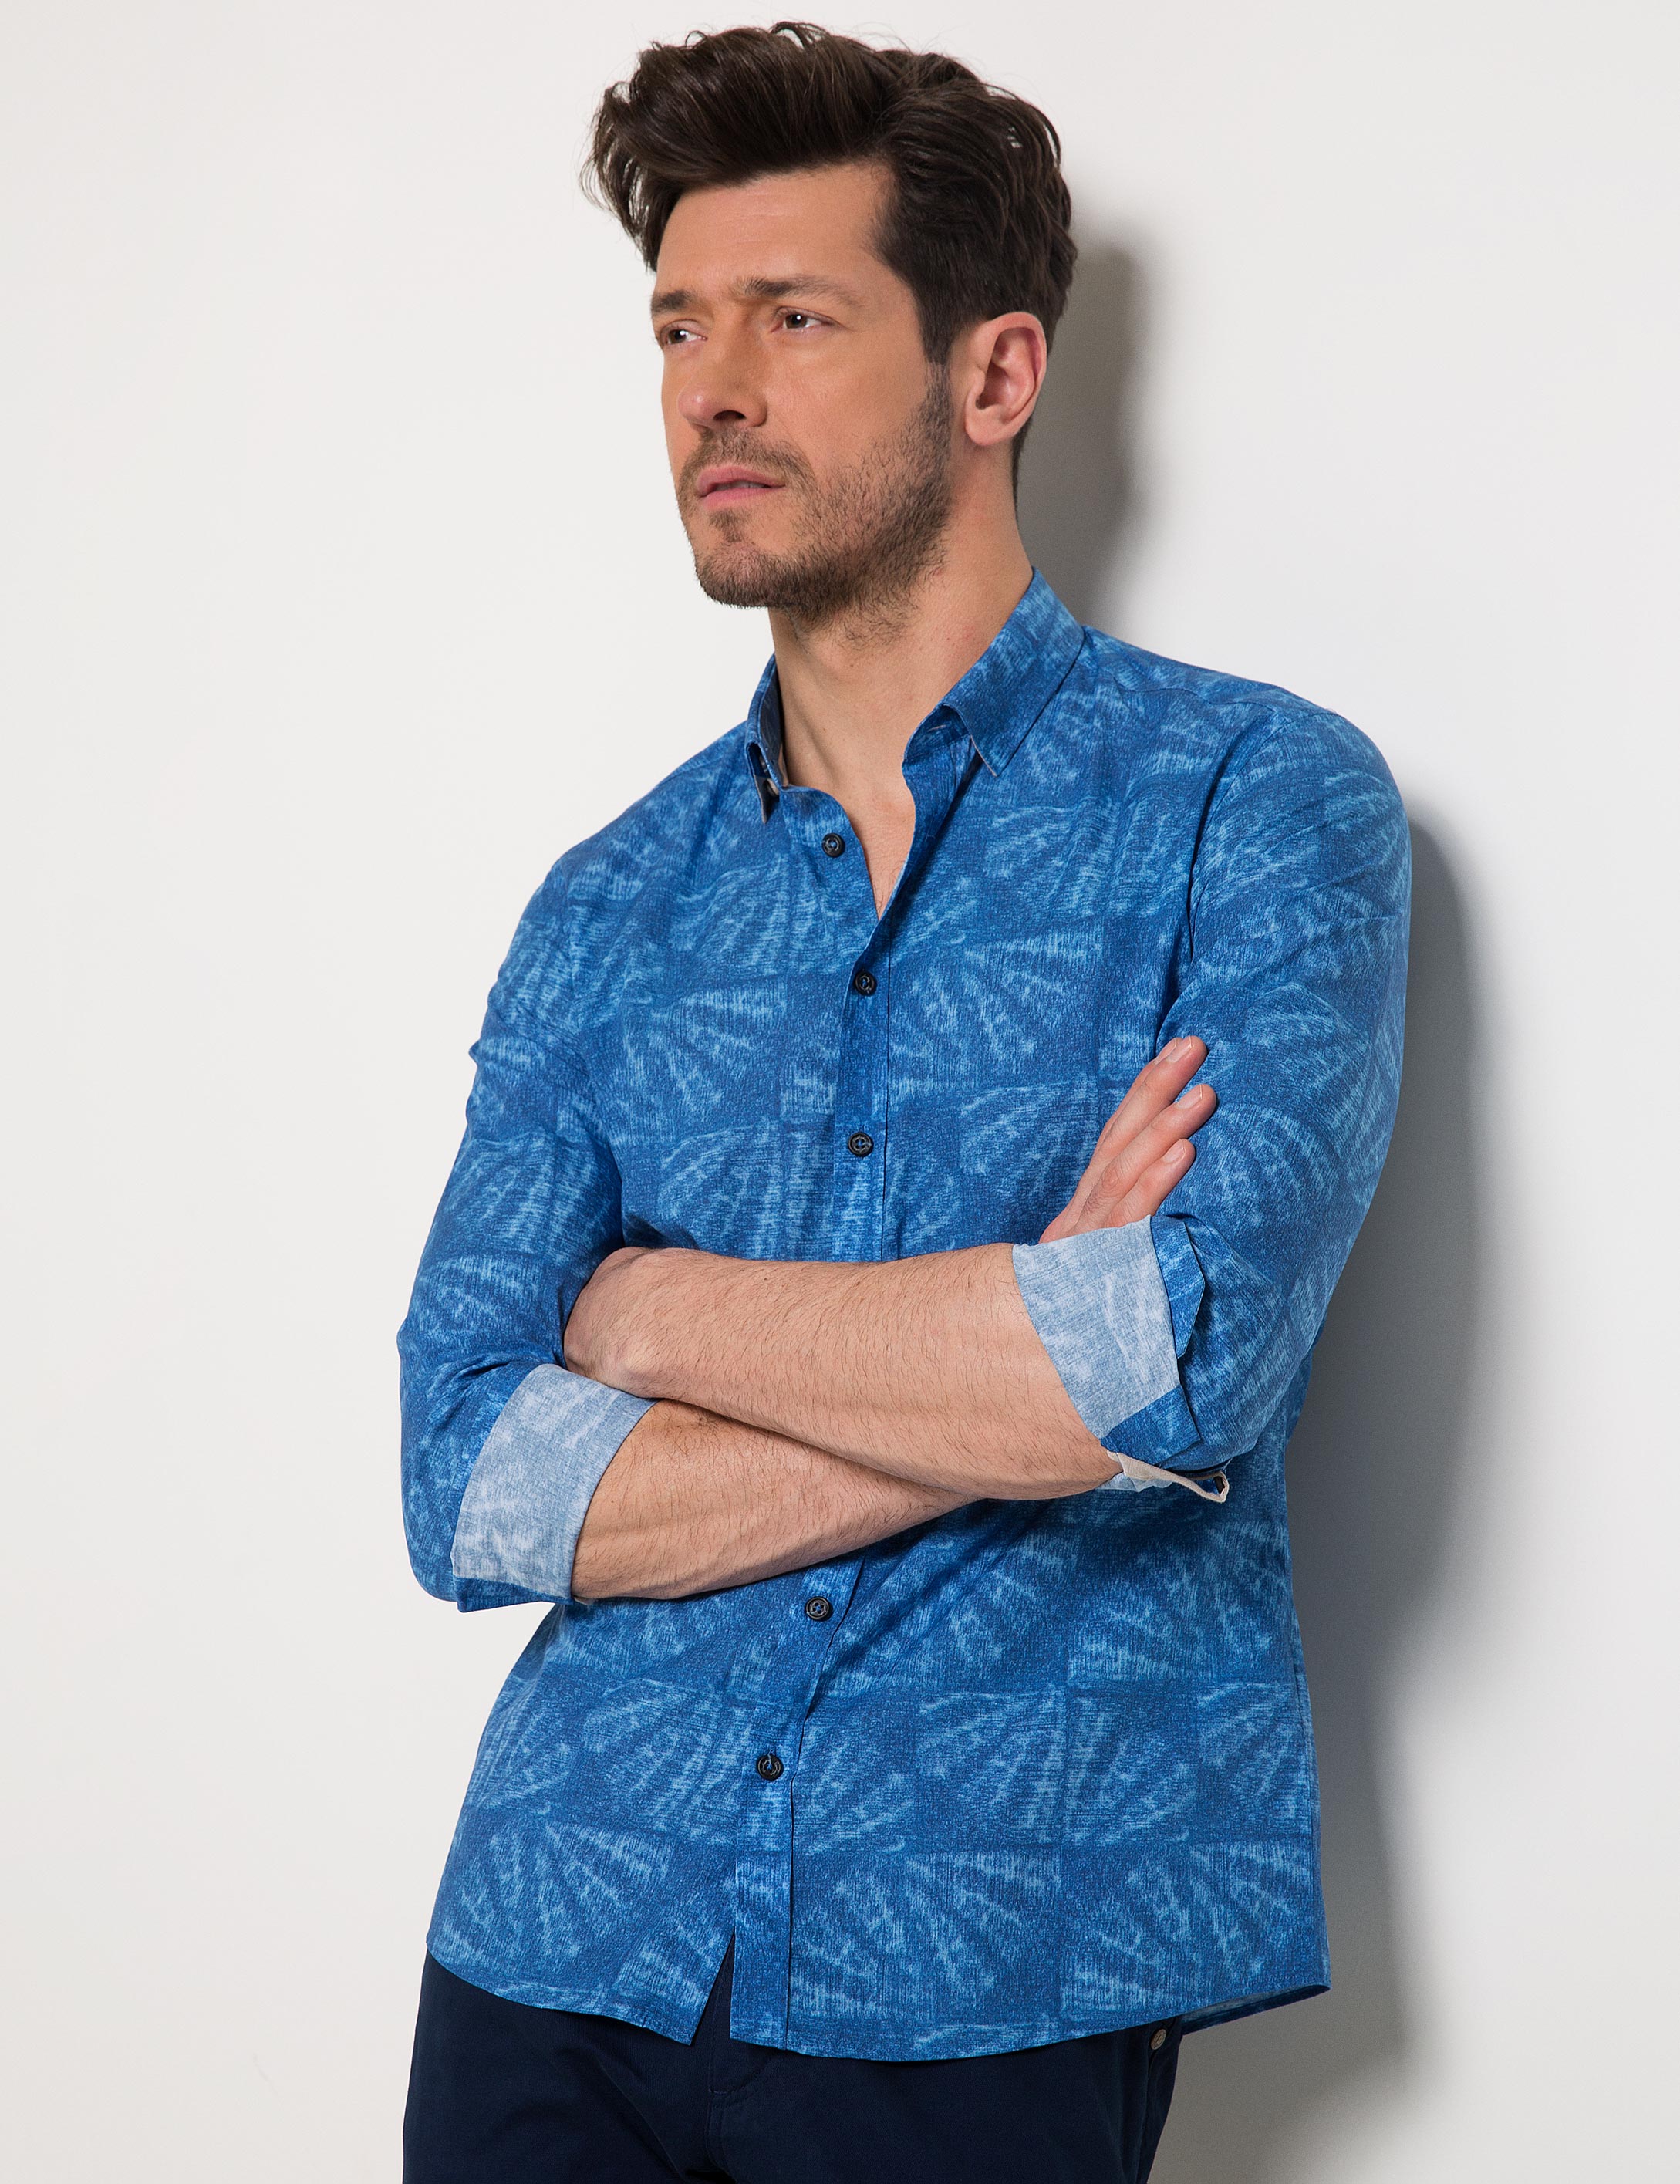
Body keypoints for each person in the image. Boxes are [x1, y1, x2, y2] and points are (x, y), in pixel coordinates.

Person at [396, 22, 1410, 2182]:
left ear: (995, 374)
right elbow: (466, 1480)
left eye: (793, 316)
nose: (710, 387)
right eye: (679, 323)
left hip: (993, 1952)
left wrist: (650, 1315)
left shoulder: (1252, 801)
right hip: (560, 1923)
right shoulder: (606, 906)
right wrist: (1009, 1357)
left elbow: (1183, 1362)